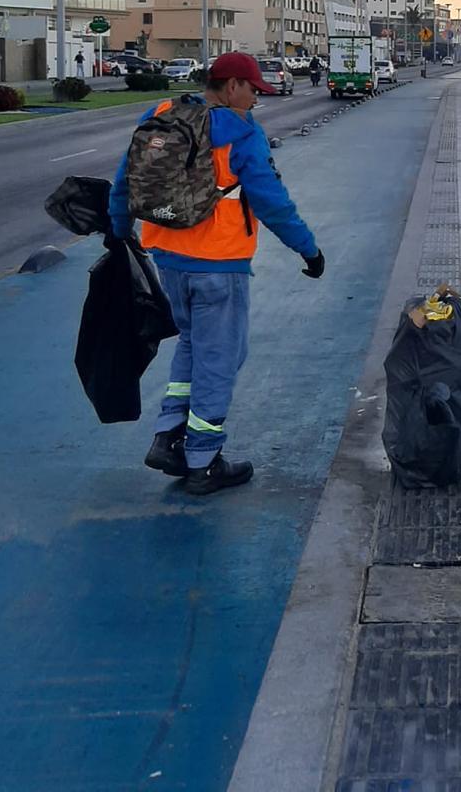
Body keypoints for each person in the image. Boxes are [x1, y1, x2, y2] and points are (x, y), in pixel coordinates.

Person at [109, 52, 324, 496]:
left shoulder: (162, 114)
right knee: (220, 358)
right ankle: (204, 460)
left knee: (191, 345)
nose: (255, 101)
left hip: (168, 257)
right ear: (230, 87)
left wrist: (118, 230)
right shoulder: (238, 131)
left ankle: (168, 436)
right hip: (218, 266)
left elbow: (126, 178)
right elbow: (271, 200)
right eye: (252, 92)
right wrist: (309, 250)